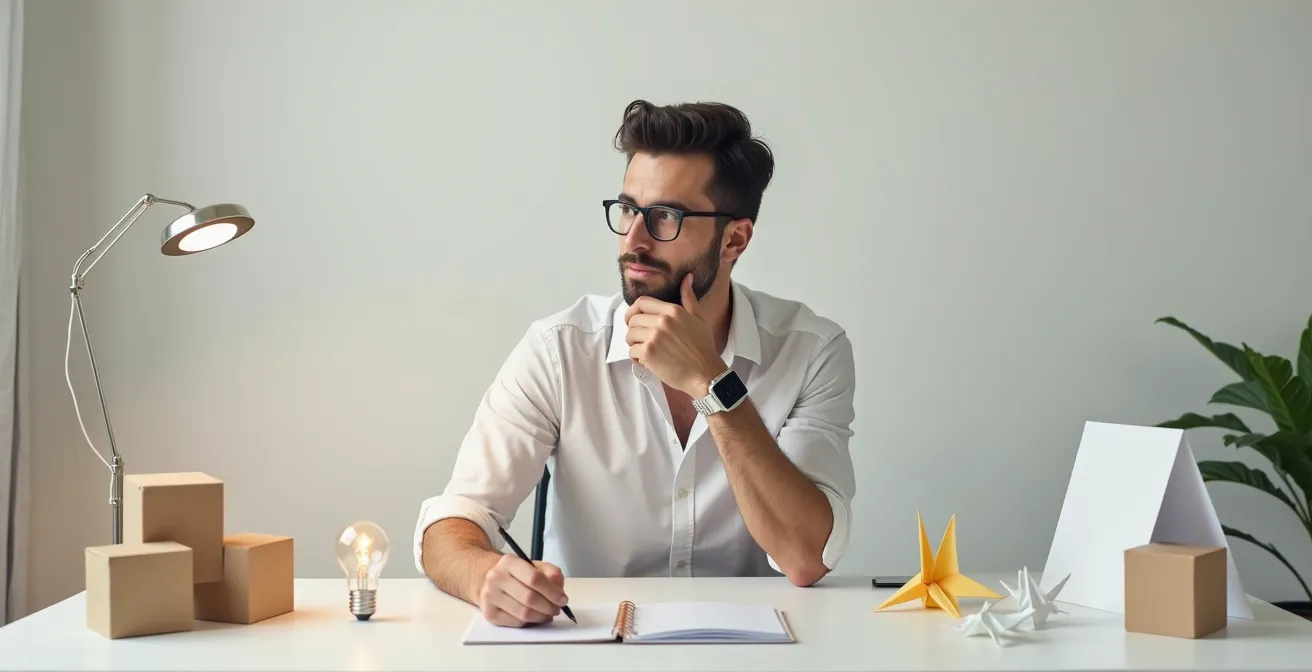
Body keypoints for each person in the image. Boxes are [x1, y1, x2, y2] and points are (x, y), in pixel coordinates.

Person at [413, 99, 857, 628]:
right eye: (628, 209)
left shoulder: (810, 351)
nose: (633, 240)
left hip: (746, 649)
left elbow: (807, 557)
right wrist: (485, 575)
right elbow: (453, 521)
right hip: (588, 642)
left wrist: (712, 382)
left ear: (734, 238)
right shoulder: (560, 350)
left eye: (665, 216)